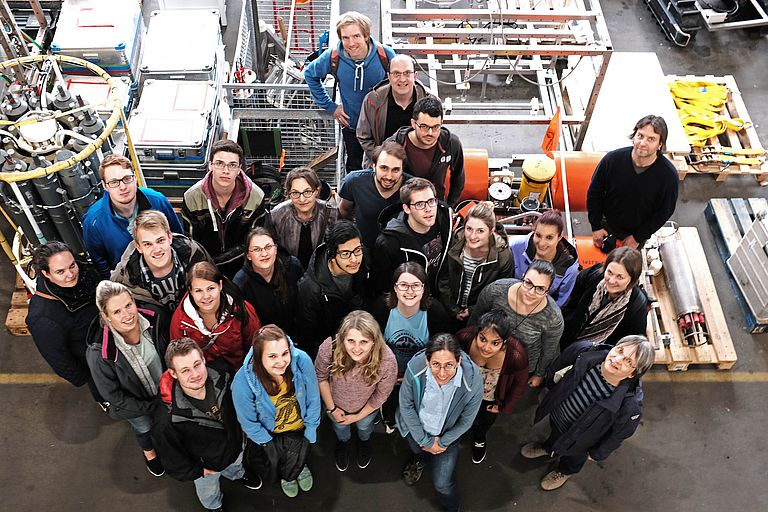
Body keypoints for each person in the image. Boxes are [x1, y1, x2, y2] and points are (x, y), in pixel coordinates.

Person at [521, 335, 653, 491]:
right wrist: (551, 389)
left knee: (574, 457)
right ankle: (549, 448)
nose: (617, 360)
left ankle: (565, 471)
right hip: (558, 417)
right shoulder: (583, 351)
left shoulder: (630, 405)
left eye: (629, 362)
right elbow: (559, 364)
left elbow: (620, 433)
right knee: (555, 434)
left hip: (583, 440)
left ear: (633, 374)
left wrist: (598, 453)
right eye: (619, 350)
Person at [153, 339, 262, 512]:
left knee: (236, 464)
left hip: (235, 445)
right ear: (173, 374)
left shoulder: (223, 373)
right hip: (208, 467)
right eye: (185, 370)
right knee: (208, 490)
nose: (195, 374)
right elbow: (173, 459)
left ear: (204, 359)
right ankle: (214, 506)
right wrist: (197, 472)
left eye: (197, 364)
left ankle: (237, 474)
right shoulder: (167, 419)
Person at [86, 281, 169, 477]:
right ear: (106, 317)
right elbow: (114, 396)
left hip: (164, 391)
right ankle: (150, 454)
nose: (127, 315)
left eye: (128, 305)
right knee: (144, 427)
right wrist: (151, 407)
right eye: (117, 312)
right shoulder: (99, 354)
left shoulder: (154, 320)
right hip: (134, 404)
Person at [232, 324, 321, 498]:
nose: (281, 362)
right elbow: (248, 422)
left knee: (299, 456)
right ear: (259, 358)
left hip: (299, 428)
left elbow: (313, 397)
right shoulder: (243, 382)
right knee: (282, 461)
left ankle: (300, 466)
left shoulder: (301, 360)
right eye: (272, 356)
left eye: (285, 353)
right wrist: (270, 444)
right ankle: (286, 475)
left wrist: (310, 431)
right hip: (273, 435)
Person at [396, 333, 482, 512]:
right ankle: (422, 459)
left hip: (447, 439)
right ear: (427, 361)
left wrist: (441, 443)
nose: (442, 373)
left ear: (458, 361)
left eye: (449, 365)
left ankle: (453, 508)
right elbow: (406, 404)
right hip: (416, 430)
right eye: (435, 364)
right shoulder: (415, 367)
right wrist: (426, 442)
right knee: (418, 451)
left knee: (442, 484)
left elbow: (466, 421)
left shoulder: (473, 381)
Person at [304, 11, 396, 172]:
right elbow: (310, 74)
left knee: (387, 164)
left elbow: (401, 82)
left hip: (383, 126)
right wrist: (331, 107)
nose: (351, 43)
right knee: (354, 166)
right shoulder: (332, 57)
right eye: (345, 38)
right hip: (353, 126)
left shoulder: (385, 55)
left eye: (356, 36)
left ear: (366, 36)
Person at [26, 241, 105, 409]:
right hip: (99, 365)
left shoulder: (84, 272)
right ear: (46, 274)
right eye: (60, 272)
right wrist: (92, 376)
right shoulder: (43, 317)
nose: (70, 275)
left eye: (72, 266)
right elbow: (60, 360)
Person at [315, 311, 397, 472]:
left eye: (364, 341)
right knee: (340, 429)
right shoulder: (330, 347)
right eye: (351, 340)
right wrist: (332, 408)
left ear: (374, 341)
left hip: (366, 409)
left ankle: (364, 442)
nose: (357, 348)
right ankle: (343, 442)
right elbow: (321, 377)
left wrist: (358, 416)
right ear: (342, 338)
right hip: (335, 405)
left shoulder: (387, 360)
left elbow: (381, 394)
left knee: (364, 428)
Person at [587, 114, 679, 251]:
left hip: (635, 235)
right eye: (640, 136)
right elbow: (594, 193)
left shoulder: (668, 176)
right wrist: (596, 227)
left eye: (651, 139)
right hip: (606, 227)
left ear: (660, 145)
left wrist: (638, 237)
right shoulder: (612, 160)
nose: (643, 143)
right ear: (634, 136)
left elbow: (664, 211)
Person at [83, 154, 183, 278]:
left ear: (135, 177)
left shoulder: (157, 200)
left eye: (127, 178)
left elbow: (178, 238)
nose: (123, 187)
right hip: (128, 282)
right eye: (114, 182)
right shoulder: (94, 221)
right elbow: (101, 264)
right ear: (105, 186)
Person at [182, 139, 269, 278]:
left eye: (232, 165)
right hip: (205, 265)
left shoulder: (255, 197)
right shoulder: (192, 197)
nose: (226, 170)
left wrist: (220, 263)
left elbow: (252, 240)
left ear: (240, 168)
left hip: (243, 265)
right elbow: (191, 242)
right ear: (210, 165)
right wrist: (208, 266)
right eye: (219, 164)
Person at [469, 260, 564, 388]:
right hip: (485, 353)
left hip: (520, 364)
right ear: (523, 276)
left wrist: (539, 374)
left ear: (548, 290)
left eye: (540, 288)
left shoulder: (552, 317)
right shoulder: (496, 290)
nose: (531, 292)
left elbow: (549, 350)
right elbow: (475, 320)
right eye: (528, 283)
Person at [455, 310, 528, 464]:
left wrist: (504, 407)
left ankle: (479, 438)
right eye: (482, 339)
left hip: (490, 398)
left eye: (495, 342)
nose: (486, 347)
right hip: (463, 391)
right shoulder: (464, 337)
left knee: (485, 421)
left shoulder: (516, 355)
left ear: (505, 341)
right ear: (477, 332)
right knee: (459, 415)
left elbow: (519, 386)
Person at [111, 210, 212, 315]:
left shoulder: (193, 253)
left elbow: (217, 285)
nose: (157, 250)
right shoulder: (124, 276)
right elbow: (111, 310)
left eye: (160, 241)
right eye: (148, 244)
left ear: (170, 237)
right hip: (154, 326)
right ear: (139, 247)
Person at [297, 220, 370, 359]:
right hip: (330, 350)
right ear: (331, 254)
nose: (354, 259)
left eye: (357, 250)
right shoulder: (310, 288)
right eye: (345, 254)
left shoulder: (364, 259)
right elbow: (308, 338)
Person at [170, 261, 261, 373]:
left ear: (220, 285)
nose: (206, 296)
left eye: (210, 288)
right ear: (190, 291)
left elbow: (255, 348)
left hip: (241, 373)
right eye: (198, 290)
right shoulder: (180, 322)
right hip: (204, 379)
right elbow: (180, 359)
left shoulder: (241, 310)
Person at [437, 201, 514, 329]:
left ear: (491, 231)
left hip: (480, 317)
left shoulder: (503, 257)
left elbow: (501, 294)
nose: (472, 236)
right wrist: (453, 309)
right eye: (469, 229)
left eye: (480, 231)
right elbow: (443, 279)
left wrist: (473, 310)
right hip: (449, 310)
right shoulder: (453, 245)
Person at [373, 177, 453, 295]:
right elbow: (384, 288)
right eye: (420, 204)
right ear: (406, 208)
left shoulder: (445, 219)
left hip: (440, 292)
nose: (428, 209)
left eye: (431, 201)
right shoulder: (389, 243)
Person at [559, 247, 649, 350]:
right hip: (565, 339)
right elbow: (572, 296)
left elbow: (631, 343)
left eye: (620, 277)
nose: (611, 280)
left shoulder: (637, 304)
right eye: (609, 272)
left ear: (632, 280)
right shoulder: (594, 274)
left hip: (593, 355)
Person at [386, 95, 465, 205]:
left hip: (435, 208)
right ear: (414, 123)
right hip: (403, 208)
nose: (430, 133)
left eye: (436, 127)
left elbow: (458, 178)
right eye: (424, 126)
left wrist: (449, 206)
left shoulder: (451, 144)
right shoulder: (396, 144)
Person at [357, 54, 429, 167]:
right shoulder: (373, 101)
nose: (402, 79)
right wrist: (380, 158)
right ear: (389, 77)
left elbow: (435, 134)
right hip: (382, 163)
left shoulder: (429, 101)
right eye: (396, 74)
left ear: (415, 76)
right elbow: (363, 136)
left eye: (407, 73)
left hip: (418, 163)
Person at [338, 141, 412, 248]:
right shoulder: (354, 182)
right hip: (363, 250)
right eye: (384, 168)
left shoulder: (413, 188)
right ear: (374, 166)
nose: (389, 176)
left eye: (395, 170)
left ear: (402, 169)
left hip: (400, 252)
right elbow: (343, 210)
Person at [233, 227, 303, 337]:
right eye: (256, 249)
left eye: (268, 247)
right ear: (248, 255)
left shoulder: (292, 267)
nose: (264, 254)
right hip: (261, 340)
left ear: (276, 248)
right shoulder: (241, 283)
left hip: (295, 337)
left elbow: (303, 308)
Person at [269, 166, 338, 269]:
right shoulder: (277, 215)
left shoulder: (332, 213)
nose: (302, 199)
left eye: (307, 192)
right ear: (288, 193)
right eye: (295, 193)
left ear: (316, 191)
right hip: (287, 273)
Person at [509, 209, 579, 307]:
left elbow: (558, 303)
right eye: (538, 235)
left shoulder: (568, 268)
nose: (541, 243)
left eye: (549, 237)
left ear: (559, 237)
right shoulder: (515, 246)